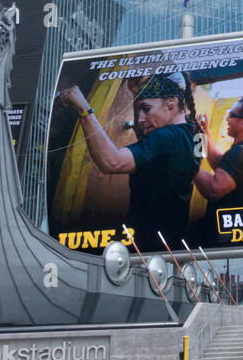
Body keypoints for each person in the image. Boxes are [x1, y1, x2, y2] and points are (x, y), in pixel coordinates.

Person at [58, 72, 199, 251]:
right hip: (175, 241)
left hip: (149, 246)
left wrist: (83, 109)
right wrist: (137, 96)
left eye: (146, 109)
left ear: (171, 102)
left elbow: (111, 162)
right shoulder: (195, 132)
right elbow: (148, 140)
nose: (140, 119)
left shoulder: (165, 137)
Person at [190, 96, 243, 244]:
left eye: (232, 115)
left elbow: (213, 189)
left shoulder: (240, 153)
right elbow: (221, 163)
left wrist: (188, 162)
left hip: (216, 237)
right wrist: (204, 131)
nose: (227, 119)